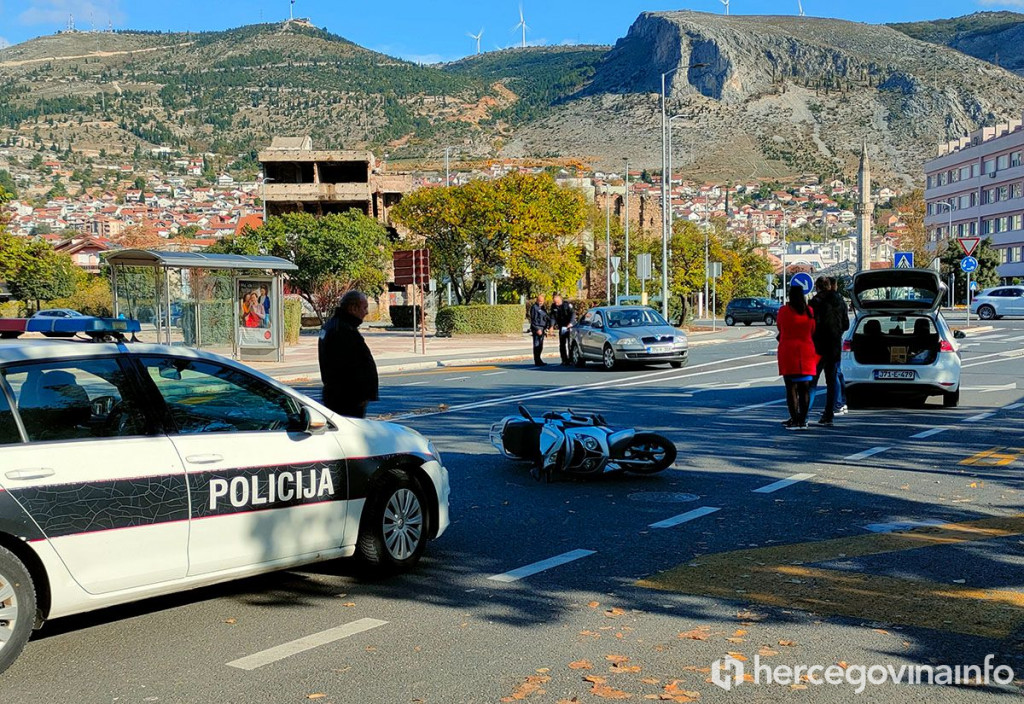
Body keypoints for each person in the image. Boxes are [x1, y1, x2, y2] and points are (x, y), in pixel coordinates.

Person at [318, 290, 378, 418]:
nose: (366, 312)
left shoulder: (339, 326)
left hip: (346, 396)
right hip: (347, 398)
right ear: (353, 308)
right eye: (364, 308)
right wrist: (360, 394)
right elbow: (347, 366)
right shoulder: (341, 330)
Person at [777, 284, 818, 430]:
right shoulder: (809, 311)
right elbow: (813, 330)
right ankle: (802, 420)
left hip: (788, 352)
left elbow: (780, 327)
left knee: (791, 388)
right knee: (804, 388)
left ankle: (794, 419)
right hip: (806, 352)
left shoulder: (784, 311)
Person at [809, 276, 848, 427]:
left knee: (812, 381)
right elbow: (846, 324)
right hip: (834, 345)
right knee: (831, 381)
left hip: (818, 346)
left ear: (818, 287)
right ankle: (829, 414)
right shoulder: (840, 302)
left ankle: (804, 414)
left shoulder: (815, 302)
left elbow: (810, 324)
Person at [549, 293, 576, 365]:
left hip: (570, 326)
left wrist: (570, 323)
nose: (556, 304)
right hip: (562, 327)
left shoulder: (567, 305)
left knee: (570, 344)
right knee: (562, 344)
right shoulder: (553, 306)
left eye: (557, 302)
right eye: (555, 302)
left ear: (560, 300)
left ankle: (571, 359)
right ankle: (564, 360)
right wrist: (551, 326)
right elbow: (552, 317)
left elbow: (573, 314)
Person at [529, 294, 551, 366]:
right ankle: (537, 360)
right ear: (537, 300)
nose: (541, 302)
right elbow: (533, 320)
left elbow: (546, 317)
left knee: (540, 345)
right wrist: (537, 329)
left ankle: (539, 360)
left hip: (542, 328)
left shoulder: (543, 308)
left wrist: (547, 327)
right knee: (536, 345)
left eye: (542, 301)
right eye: (539, 301)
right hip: (537, 329)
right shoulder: (534, 308)